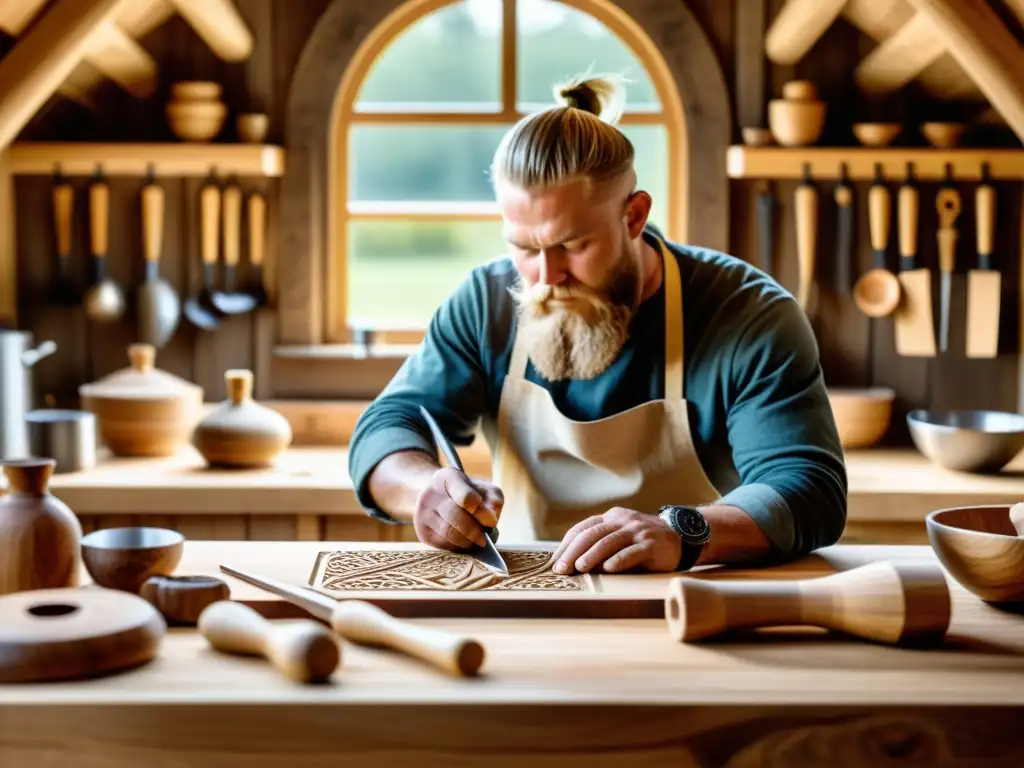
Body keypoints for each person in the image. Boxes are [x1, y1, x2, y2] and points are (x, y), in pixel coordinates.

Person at [347, 73, 847, 576]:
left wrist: (681, 531)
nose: (547, 276)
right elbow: (387, 426)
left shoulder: (747, 316)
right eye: (523, 247)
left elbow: (807, 488)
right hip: (525, 596)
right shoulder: (486, 304)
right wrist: (424, 492)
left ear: (634, 215)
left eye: (572, 244)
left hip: (695, 597)